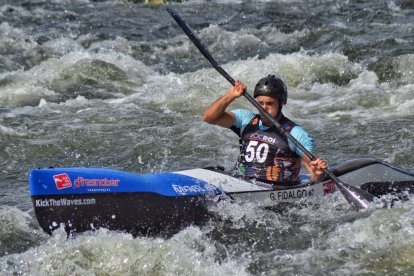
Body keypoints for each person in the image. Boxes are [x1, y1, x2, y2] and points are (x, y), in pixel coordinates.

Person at [203, 75, 328, 184]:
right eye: (260, 103)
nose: (264, 108)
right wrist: (230, 96)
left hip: (276, 191)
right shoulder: (246, 119)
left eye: (269, 103)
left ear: (282, 103)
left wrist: (318, 173)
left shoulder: (295, 133)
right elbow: (209, 117)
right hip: (240, 182)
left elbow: (315, 177)